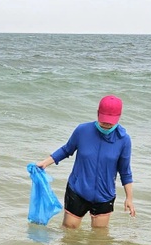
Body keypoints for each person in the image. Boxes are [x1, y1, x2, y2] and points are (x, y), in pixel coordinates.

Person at [37, 95, 135, 229]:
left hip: (104, 195)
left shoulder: (123, 140)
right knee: (69, 232)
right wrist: (45, 162)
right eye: (104, 120)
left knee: (98, 239)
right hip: (78, 190)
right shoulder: (82, 131)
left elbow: (125, 171)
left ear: (118, 117)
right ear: (97, 113)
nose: (106, 124)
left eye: (110, 121)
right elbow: (66, 150)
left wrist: (129, 198)